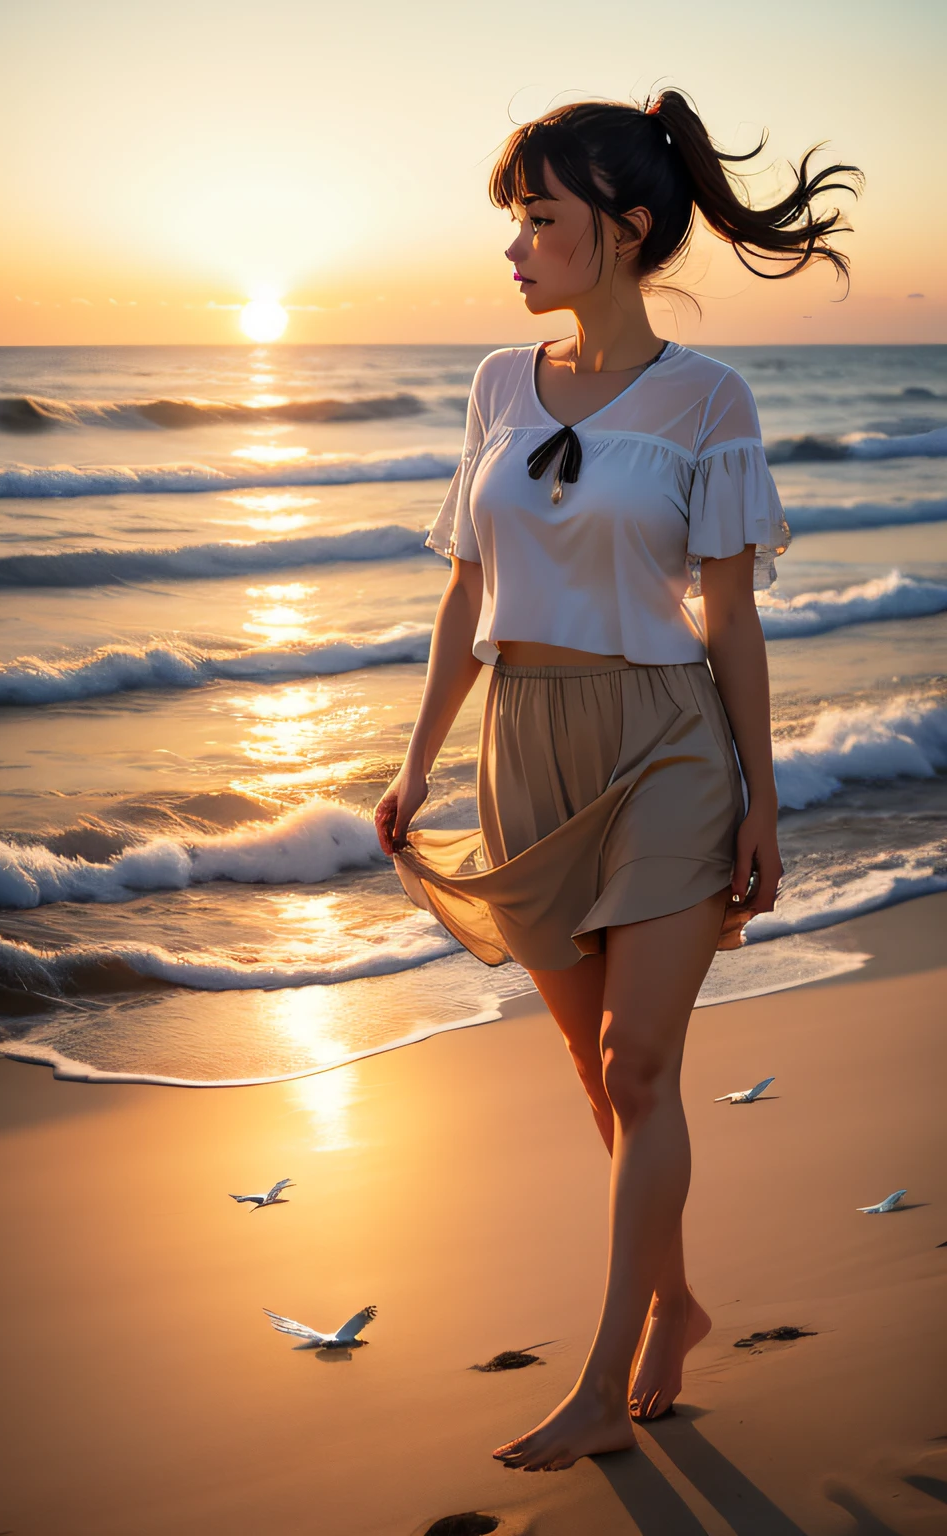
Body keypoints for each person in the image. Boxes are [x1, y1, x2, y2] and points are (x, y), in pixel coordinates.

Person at [374, 89, 861, 1474]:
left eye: (541, 219)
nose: (515, 247)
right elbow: (466, 593)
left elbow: (735, 617)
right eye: (513, 219)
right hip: (522, 743)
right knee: (603, 1077)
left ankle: (602, 1379)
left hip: (665, 743)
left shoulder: (712, 399)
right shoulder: (492, 384)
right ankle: (679, 1301)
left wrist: (764, 796)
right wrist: (416, 765)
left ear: (626, 227)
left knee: (643, 1065)